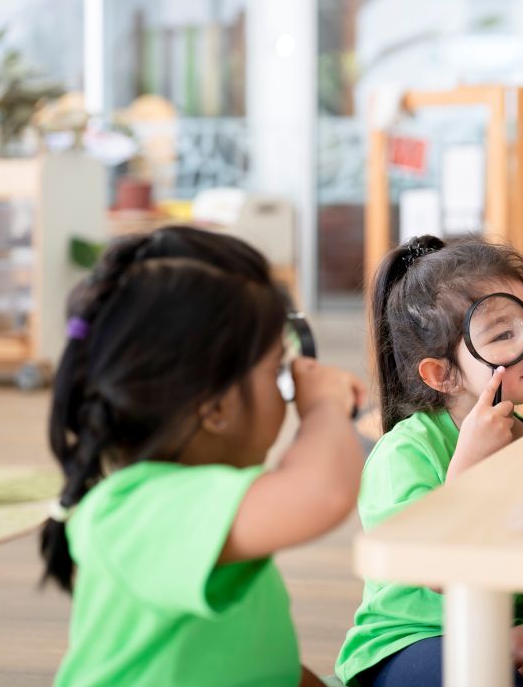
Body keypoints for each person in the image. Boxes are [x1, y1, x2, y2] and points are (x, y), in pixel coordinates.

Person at [40, 226, 365, 686]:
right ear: (215, 408)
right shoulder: (138, 511)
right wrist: (323, 407)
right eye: (276, 370)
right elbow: (322, 493)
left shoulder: (204, 507)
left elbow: (254, 659)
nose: (288, 390)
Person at [336, 235, 523, 687]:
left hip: (504, 638)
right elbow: (438, 573)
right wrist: (468, 468)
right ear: (442, 374)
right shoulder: (406, 452)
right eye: (504, 333)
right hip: (406, 645)